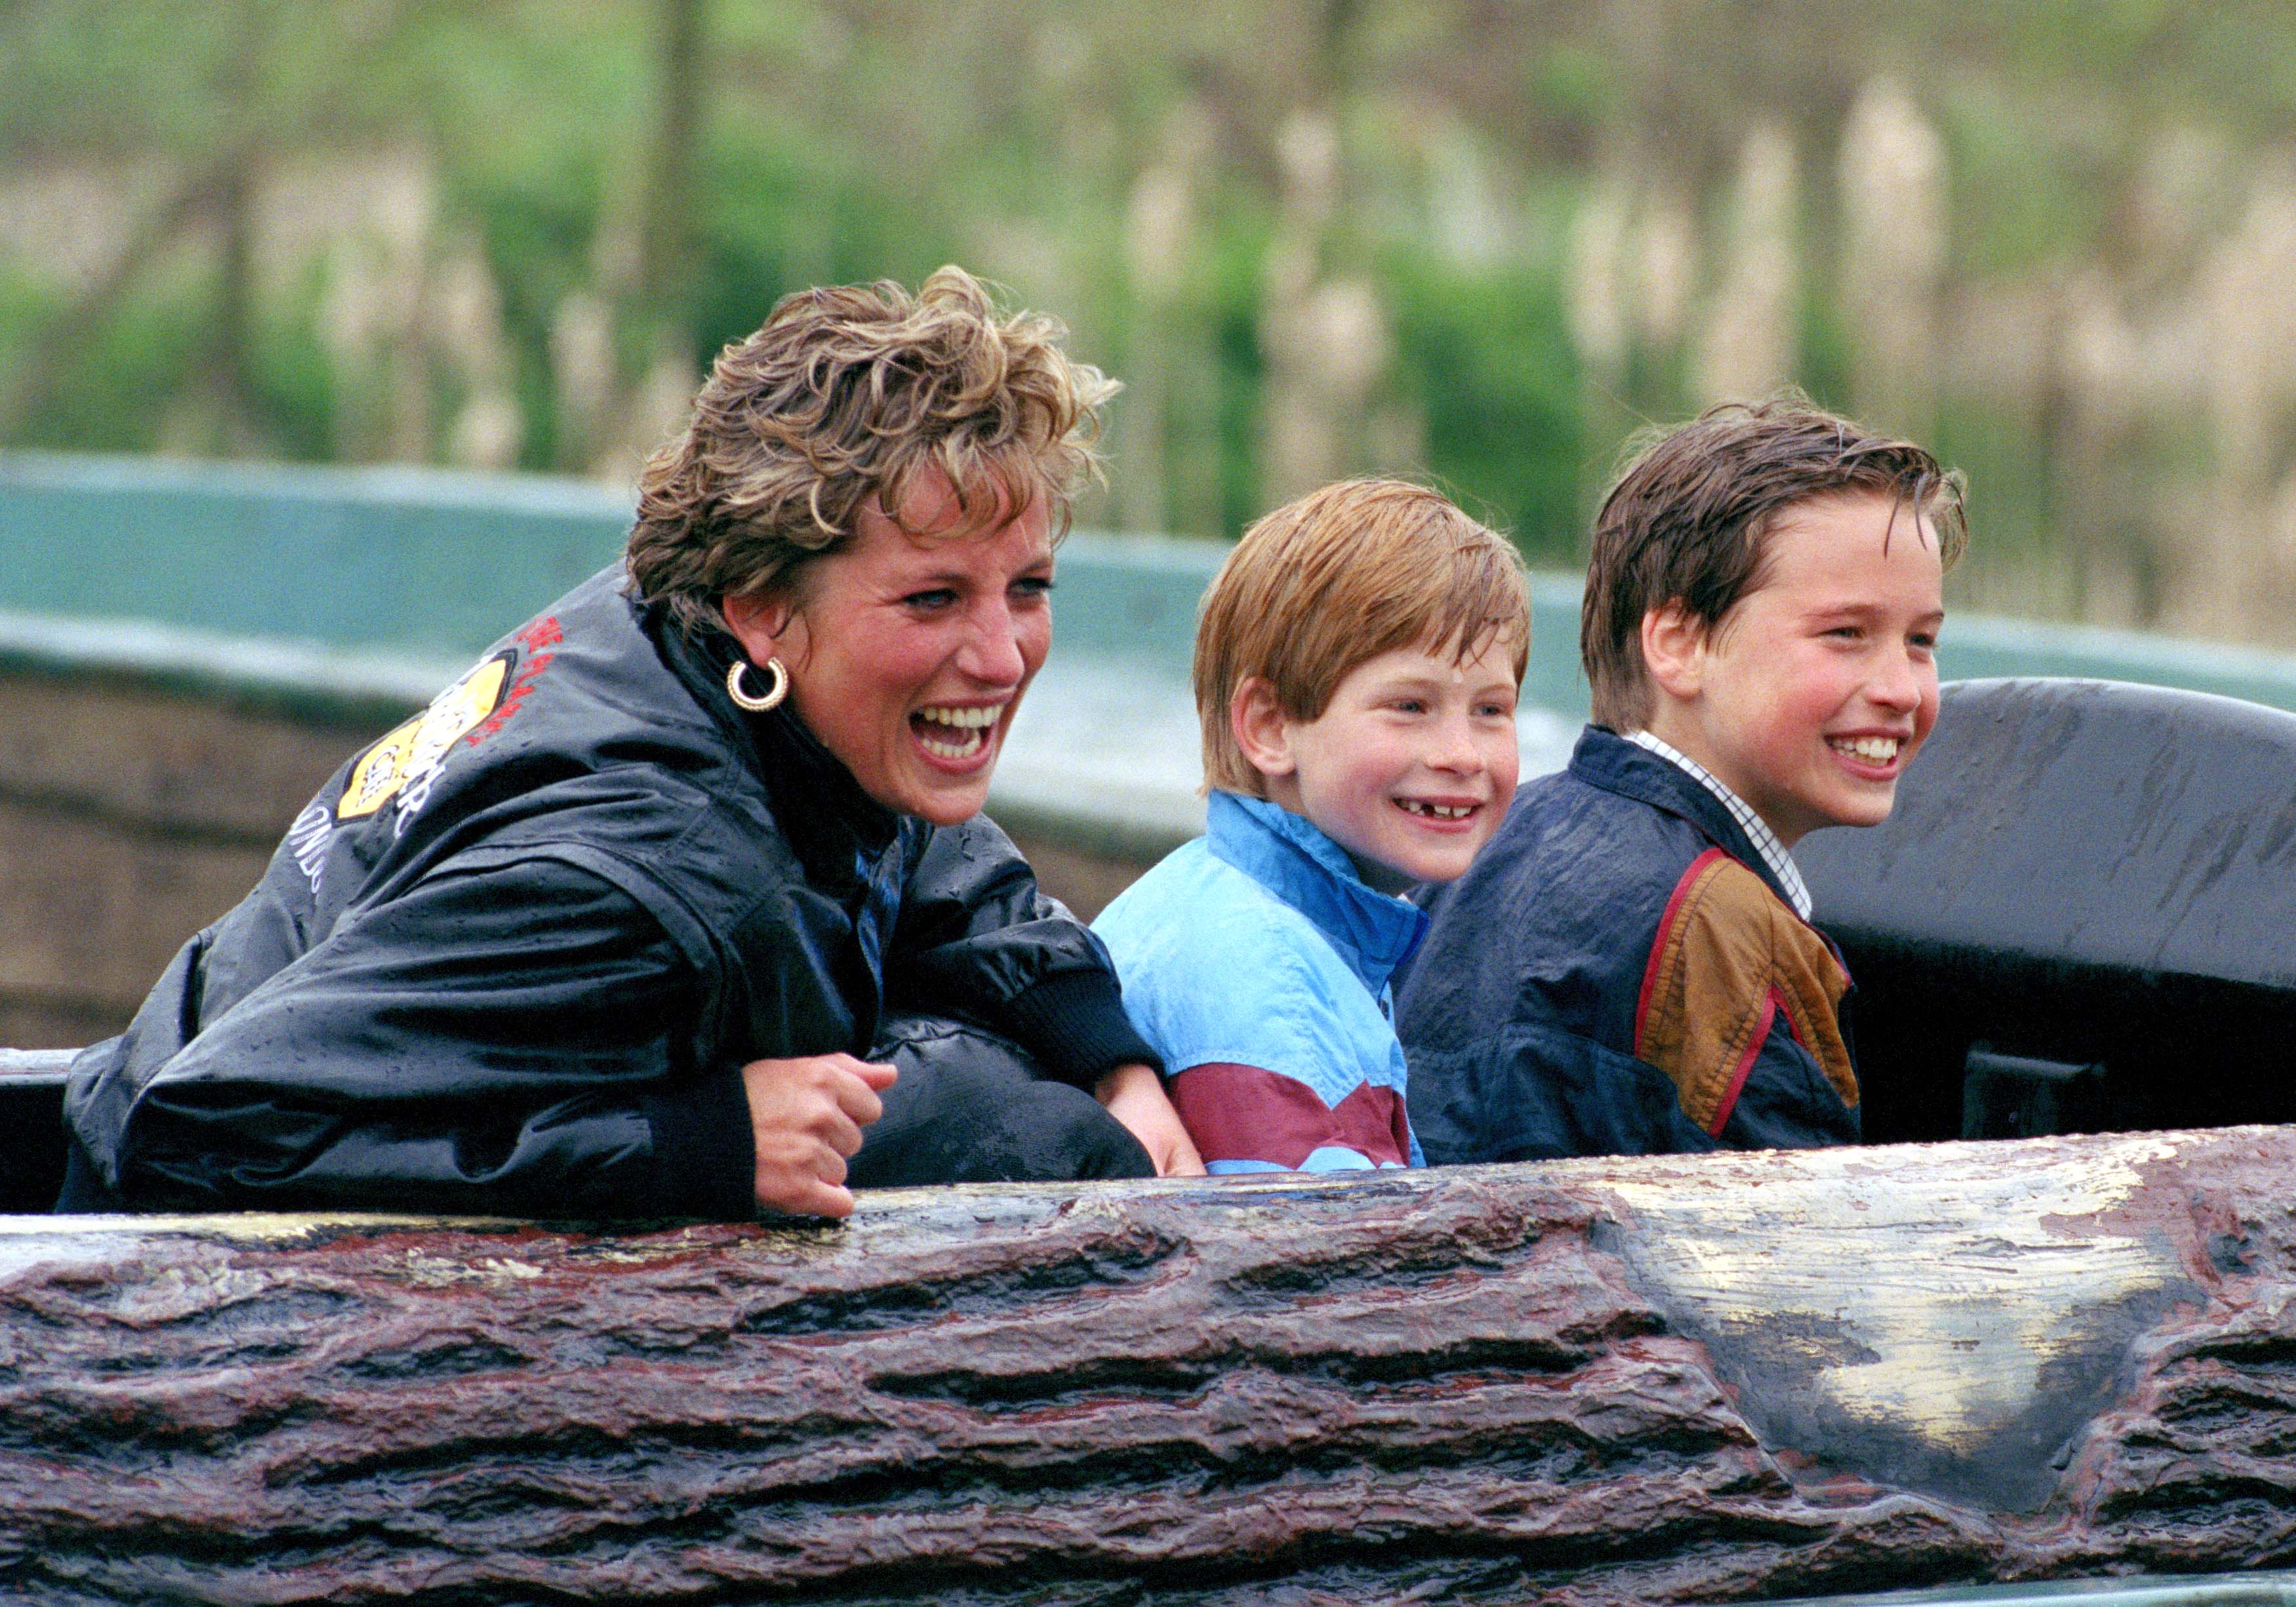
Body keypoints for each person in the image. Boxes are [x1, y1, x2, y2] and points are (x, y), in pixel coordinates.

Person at [59, 267, 1203, 1219]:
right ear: (763, 604)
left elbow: (918, 846)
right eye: (932, 600)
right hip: (154, 1317)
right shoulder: (642, 874)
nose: (1001, 656)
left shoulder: (696, 644)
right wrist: (696, 1143)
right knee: (1033, 1145)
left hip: (212, 1067)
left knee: (1023, 1096)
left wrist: (1109, 1053)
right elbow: (202, 1130)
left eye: (1030, 586)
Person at [1398, 397, 1967, 1163]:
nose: (1902, 688)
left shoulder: (1484, 846)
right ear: (1679, 644)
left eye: (1921, 641)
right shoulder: (1732, 937)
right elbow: (1799, 1259)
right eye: (1846, 634)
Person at [1091, 480, 1529, 1174]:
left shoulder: (1228, 901)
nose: (1462, 755)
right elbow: (1324, 1272)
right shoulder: (1273, 997)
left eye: (1491, 710)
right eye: (1410, 706)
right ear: (1269, 728)